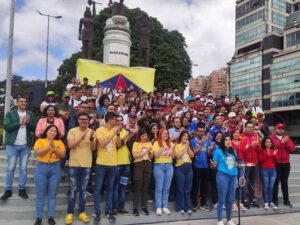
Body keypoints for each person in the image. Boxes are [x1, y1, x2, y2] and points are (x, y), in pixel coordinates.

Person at [1, 97, 36, 201]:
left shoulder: (30, 114)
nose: (23, 103)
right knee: (10, 168)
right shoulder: (10, 114)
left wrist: (28, 123)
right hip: (12, 145)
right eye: (21, 101)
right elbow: (6, 127)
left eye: (25, 102)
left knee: (23, 169)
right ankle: (8, 190)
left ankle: (22, 189)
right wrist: (19, 123)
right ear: (17, 103)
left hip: (25, 146)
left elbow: (35, 127)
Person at [65, 112, 97, 225]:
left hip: (87, 164)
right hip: (74, 164)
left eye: (86, 120)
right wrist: (81, 138)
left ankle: (82, 212)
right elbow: (70, 146)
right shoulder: (72, 131)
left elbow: (93, 149)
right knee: (73, 190)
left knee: (83, 191)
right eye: (81, 119)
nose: (84, 121)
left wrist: (92, 139)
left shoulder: (92, 132)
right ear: (78, 120)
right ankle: (69, 213)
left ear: (89, 121)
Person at [33, 125, 66, 225]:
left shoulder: (60, 142)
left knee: (52, 195)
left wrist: (54, 147)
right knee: (40, 195)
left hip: (55, 168)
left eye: (55, 131)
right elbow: (38, 152)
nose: (53, 132)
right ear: (46, 131)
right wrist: (49, 145)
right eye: (51, 130)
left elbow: (62, 155)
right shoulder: (40, 141)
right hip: (41, 168)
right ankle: (39, 218)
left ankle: (51, 217)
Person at [94, 112, 121, 223]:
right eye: (115, 119)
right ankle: (97, 213)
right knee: (98, 189)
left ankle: (108, 212)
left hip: (113, 164)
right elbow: (102, 144)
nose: (117, 122)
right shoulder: (99, 130)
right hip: (101, 164)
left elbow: (118, 145)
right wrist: (113, 133)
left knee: (110, 189)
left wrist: (118, 135)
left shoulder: (114, 131)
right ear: (110, 119)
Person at [211, 135, 237, 225]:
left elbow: (235, 162)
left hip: (233, 176)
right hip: (222, 176)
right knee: (221, 199)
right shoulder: (218, 151)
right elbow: (213, 165)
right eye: (226, 140)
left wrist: (239, 165)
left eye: (229, 139)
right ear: (223, 141)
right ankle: (219, 220)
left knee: (230, 199)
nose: (228, 141)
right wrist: (213, 164)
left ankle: (229, 219)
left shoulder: (233, 150)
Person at [112, 115, 132, 216]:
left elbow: (127, 145)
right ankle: (114, 207)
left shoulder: (126, 131)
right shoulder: (113, 131)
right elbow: (118, 146)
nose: (119, 123)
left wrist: (128, 137)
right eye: (117, 121)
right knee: (115, 186)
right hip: (117, 163)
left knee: (123, 187)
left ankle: (121, 207)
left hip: (126, 163)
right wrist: (124, 138)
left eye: (121, 121)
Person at [271, 123, 295, 207]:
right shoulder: (272, 137)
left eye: (282, 129)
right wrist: (282, 142)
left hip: (285, 163)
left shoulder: (287, 138)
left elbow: (292, 148)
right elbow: (273, 147)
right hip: (276, 163)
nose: (280, 130)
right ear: (275, 129)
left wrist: (286, 142)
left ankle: (286, 200)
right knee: (275, 182)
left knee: (284, 182)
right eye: (279, 128)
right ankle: (275, 200)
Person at [152, 128, 174, 216]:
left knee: (166, 187)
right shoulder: (156, 143)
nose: (166, 135)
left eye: (167, 134)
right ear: (160, 134)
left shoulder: (171, 144)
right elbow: (156, 156)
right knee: (159, 187)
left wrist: (173, 149)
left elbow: (174, 156)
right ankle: (158, 207)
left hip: (169, 165)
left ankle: (165, 206)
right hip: (159, 165)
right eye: (164, 133)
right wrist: (163, 147)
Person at [132, 129, 153, 216]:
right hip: (138, 165)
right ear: (139, 136)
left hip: (147, 164)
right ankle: (135, 207)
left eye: (145, 136)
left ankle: (144, 206)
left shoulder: (149, 143)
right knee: (138, 186)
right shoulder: (136, 143)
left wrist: (149, 152)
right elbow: (134, 155)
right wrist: (144, 151)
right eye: (143, 136)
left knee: (145, 187)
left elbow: (151, 156)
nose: (144, 137)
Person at [240, 122, 261, 208]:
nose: (250, 129)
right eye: (248, 127)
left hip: (254, 162)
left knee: (252, 182)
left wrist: (258, 144)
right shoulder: (241, 136)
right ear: (245, 128)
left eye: (252, 127)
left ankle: (252, 199)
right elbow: (241, 151)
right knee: (245, 182)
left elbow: (259, 150)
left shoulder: (255, 136)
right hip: (245, 162)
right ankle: (244, 199)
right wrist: (249, 146)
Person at [190, 122, 211, 212]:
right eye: (199, 131)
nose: (201, 133)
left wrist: (210, 150)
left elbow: (208, 154)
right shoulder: (192, 141)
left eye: (203, 132)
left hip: (205, 166)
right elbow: (194, 153)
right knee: (195, 185)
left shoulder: (207, 141)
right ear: (196, 131)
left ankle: (203, 203)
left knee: (204, 186)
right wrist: (201, 145)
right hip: (196, 166)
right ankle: (194, 203)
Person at [174, 130, 194, 214]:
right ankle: (180, 207)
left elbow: (192, 155)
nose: (186, 137)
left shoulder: (188, 145)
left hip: (189, 167)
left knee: (188, 188)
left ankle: (188, 207)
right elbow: (177, 157)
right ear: (181, 137)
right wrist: (185, 148)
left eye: (187, 136)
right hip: (180, 167)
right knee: (180, 188)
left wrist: (188, 147)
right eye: (184, 136)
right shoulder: (177, 145)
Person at [258, 137, 279, 210]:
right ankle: (266, 202)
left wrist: (275, 154)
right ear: (264, 143)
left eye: (269, 142)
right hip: (264, 169)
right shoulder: (262, 150)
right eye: (267, 142)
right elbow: (260, 159)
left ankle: (271, 202)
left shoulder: (274, 150)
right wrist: (269, 154)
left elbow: (277, 160)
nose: (268, 143)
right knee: (265, 186)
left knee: (271, 187)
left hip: (273, 170)